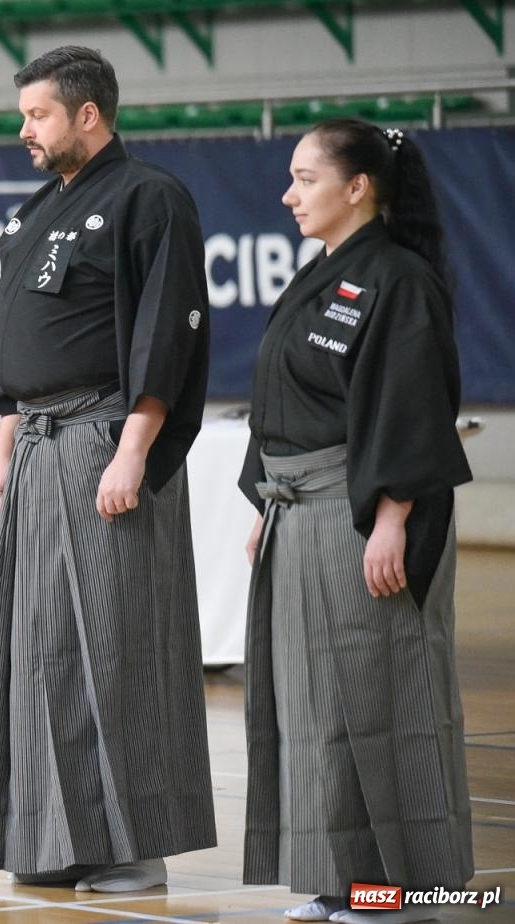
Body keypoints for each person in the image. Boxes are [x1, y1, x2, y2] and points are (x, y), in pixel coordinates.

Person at [0, 46, 216, 891]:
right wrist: (3, 448)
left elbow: (165, 337)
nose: (24, 130)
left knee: (115, 642)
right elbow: (10, 344)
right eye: (24, 114)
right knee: (39, 649)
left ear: (88, 114)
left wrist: (133, 452)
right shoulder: (36, 211)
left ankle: (131, 846)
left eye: (37, 115)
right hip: (37, 449)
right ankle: (52, 841)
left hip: (105, 441)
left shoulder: (150, 199)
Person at [237, 120, 473, 924]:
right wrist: (265, 501)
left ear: (358, 186)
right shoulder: (316, 277)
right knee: (311, 710)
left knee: (380, 702)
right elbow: (282, 403)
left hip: (360, 513)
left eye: (305, 178)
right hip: (296, 515)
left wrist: (393, 517)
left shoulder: (401, 280)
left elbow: (415, 402)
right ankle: (340, 882)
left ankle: (398, 889)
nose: (288, 193)